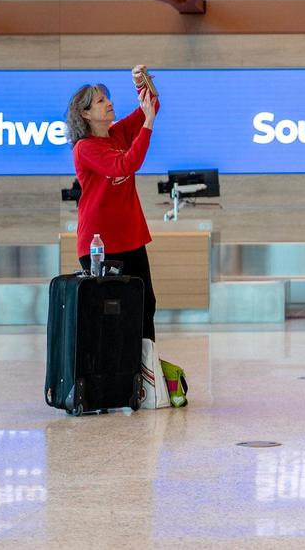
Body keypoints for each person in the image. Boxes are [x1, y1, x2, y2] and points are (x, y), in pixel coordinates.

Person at [65, 66, 187, 407]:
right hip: (100, 246)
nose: (109, 104)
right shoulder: (86, 148)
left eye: (107, 98)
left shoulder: (117, 133)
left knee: (146, 305)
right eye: (101, 101)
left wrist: (143, 85)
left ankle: (143, 377)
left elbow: (152, 106)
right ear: (86, 114)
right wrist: (147, 124)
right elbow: (125, 166)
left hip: (131, 237)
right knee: (110, 315)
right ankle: (107, 381)